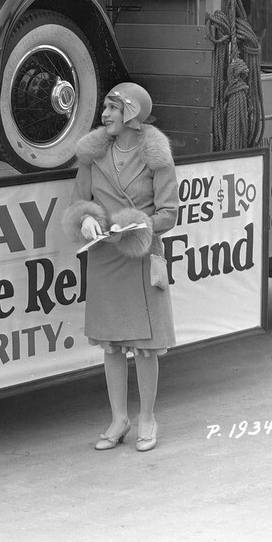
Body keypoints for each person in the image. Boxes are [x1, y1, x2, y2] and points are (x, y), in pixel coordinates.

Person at [63, 82, 178, 453]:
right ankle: (118, 419)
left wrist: (137, 225)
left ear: (131, 112)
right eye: (106, 108)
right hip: (104, 256)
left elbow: (169, 213)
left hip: (140, 255)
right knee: (111, 344)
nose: (105, 114)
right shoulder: (92, 154)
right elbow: (77, 202)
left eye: (113, 108)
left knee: (144, 347)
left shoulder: (156, 155)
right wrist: (85, 220)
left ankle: (147, 418)